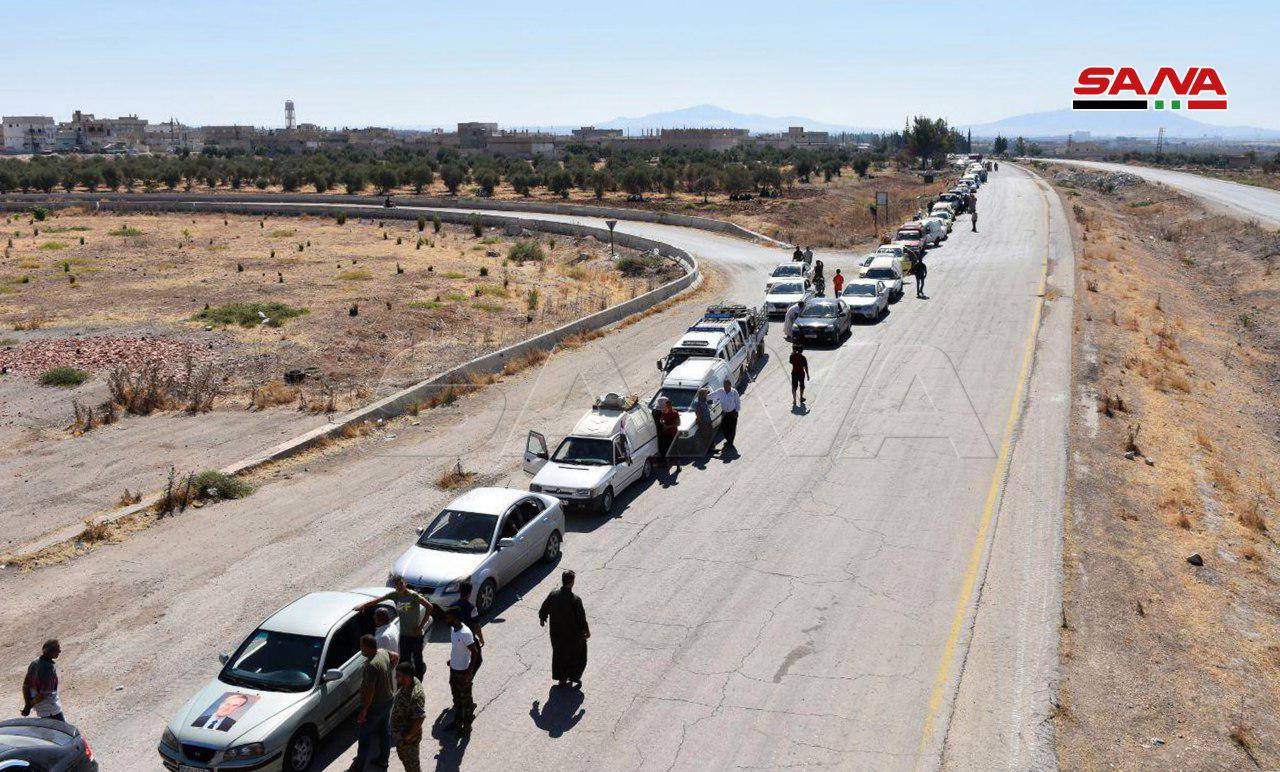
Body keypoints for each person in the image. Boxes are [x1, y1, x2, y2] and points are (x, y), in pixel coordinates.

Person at [360, 577, 435, 681]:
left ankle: (418, 683)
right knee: (405, 662)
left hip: (416, 635)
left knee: (418, 661)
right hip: (404, 635)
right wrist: (362, 605)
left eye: (401, 584)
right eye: (397, 585)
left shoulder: (413, 595)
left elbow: (429, 607)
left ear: (405, 583)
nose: (399, 586)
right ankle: (407, 683)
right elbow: (378, 600)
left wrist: (421, 626)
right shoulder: (395, 595)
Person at [538, 570, 590, 688]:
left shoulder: (553, 595)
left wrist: (542, 618)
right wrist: (587, 631)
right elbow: (581, 618)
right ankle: (573, 676)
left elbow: (544, 608)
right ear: (572, 582)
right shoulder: (575, 600)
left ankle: (562, 678)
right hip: (573, 635)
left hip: (556, 634)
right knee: (578, 653)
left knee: (559, 654)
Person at [349, 635, 393, 771]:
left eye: (362, 646)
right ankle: (383, 760)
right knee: (384, 731)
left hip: (375, 706)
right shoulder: (383, 652)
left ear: (367, 647)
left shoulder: (372, 666)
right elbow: (395, 656)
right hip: (388, 700)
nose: (360, 648)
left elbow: (370, 691)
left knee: (364, 739)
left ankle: (358, 767)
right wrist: (388, 671)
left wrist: (364, 711)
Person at [446, 610, 479, 732]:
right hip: (453, 670)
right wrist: (452, 660)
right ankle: (457, 722)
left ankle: (467, 726)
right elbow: (457, 648)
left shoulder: (465, 633)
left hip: (463, 672)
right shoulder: (453, 629)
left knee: (466, 701)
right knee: (456, 698)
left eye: (448, 617)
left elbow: (474, 653)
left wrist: (470, 671)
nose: (446, 620)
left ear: (455, 618)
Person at [390, 662, 426, 772]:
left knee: (412, 767)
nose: (396, 677)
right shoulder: (408, 683)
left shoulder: (415, 695)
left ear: (407, 676)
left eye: (398, 675)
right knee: (406, 761)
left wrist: (408, 737)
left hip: (408, 739)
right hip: (401, 735)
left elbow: (419, 718)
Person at [21, 640, 63, 723]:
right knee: (61, 731)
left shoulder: (35, 662)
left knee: (48, 731)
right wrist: (29, 706)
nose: (60, 651)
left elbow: (26, 686)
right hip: (50, 708)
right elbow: (43, 694)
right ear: (50, 652)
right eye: (57, 649)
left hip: (41, 707)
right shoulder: (48, 668)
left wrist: (27, 705)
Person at [455, 580, 485, 674]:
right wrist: (481, 639)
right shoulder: (472, 608)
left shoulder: (453, 606)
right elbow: (477, 625)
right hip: (469, 639)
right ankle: (468, 678)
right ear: (470, 593)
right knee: (478, 660)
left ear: (459, 591)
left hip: (457, 638)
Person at [709, 378, 740, 451]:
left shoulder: (734, 392)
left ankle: (730, 442)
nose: (725, 387)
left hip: (732, 413)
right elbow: (713, 395)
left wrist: (736, 411)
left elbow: (738, 402)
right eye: (724, 385)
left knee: (732, 428)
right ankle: (728, 439)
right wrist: (705, 396)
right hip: (724, 413)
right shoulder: (721, 391)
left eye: (726, 386)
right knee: (724, 427)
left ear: (730, 385)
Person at [654, 397, 679, 466]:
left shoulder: (657, 412)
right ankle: (674, 464)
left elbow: (661, 421)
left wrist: (666, 426)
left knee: (666, 448)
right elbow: (661, 421)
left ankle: (668, 462)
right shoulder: (667, 412)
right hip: (667, 433)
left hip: (666, 433)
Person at [692, 388, 713, 457]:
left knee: (710, 433)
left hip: (708, 420)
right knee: (705, 435)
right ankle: (707, 450)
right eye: (706, 393)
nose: (707, 394)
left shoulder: (704, 399)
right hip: (703, 422)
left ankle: (711, 448)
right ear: (702, 394)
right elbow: (697, 413)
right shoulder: (697, 402)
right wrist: (701, 422)